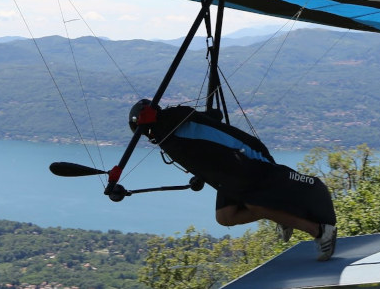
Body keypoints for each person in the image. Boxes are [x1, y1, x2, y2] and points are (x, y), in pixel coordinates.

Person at [128, 99, 338, 261]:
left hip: (244, 157)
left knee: (254, 203)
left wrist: (151, 118)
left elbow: (189, 123)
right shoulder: (169, 138)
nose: (149, 136)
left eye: (146, 132)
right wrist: (200, 176)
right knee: (225, 216)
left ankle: (320, 231)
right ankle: (282, 213)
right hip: (226, 171)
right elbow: (201, 151)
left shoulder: (173, 121)